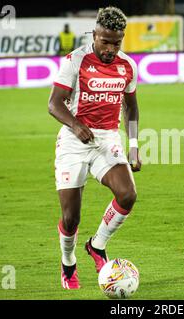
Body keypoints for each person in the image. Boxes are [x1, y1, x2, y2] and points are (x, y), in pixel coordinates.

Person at [48, 6, 141, 290]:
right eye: (106, 41)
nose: (111, 48)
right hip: (74, 142)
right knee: (71, 217)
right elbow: (54, 103)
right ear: (95, 34)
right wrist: (76, 125)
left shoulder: (127, 66)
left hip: (107, 139)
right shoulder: (76, 61)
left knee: (127, 195)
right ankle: (68, 261)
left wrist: (134, 145)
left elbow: (132, 108)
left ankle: (97, 245)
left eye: (117, 42)